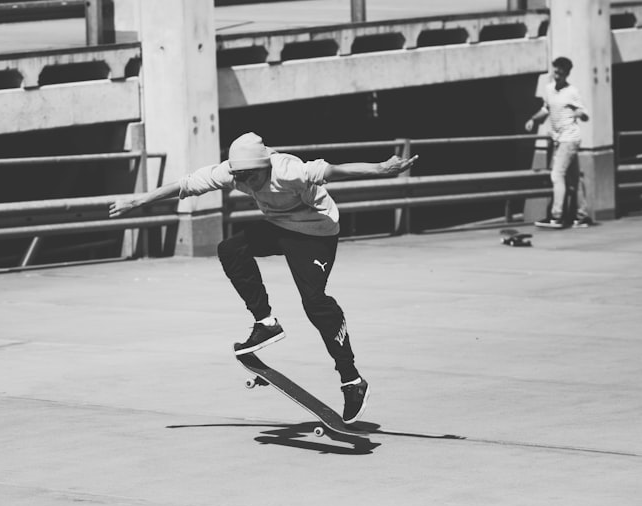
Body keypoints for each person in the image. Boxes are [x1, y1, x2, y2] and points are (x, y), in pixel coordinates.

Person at [109, 132, 417, 424]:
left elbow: (335, 170)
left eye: (252, 178)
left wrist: (381, 168)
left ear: (264, 167)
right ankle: (265, 322)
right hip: (280, 227)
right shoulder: (234, 173)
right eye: (241, 179)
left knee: (315, 302)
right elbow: (185, 184)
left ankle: (352, 380)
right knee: (230, 249)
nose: (248, 185)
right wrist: (136, 202)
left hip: (316, 232)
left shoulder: (288, 170)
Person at [525, 56, 595, 229]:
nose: (557, 73)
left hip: (569, 139)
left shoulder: (572, 92)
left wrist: (580, 114)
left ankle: (556, 216)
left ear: (567, 73)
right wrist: (533, 120)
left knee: (556, 175)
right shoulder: (549, 89)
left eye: (561, 71)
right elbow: (546, 109)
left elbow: (583, 112)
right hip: (559, 140)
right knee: (574, 179)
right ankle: (582, 216)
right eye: (555, 69)